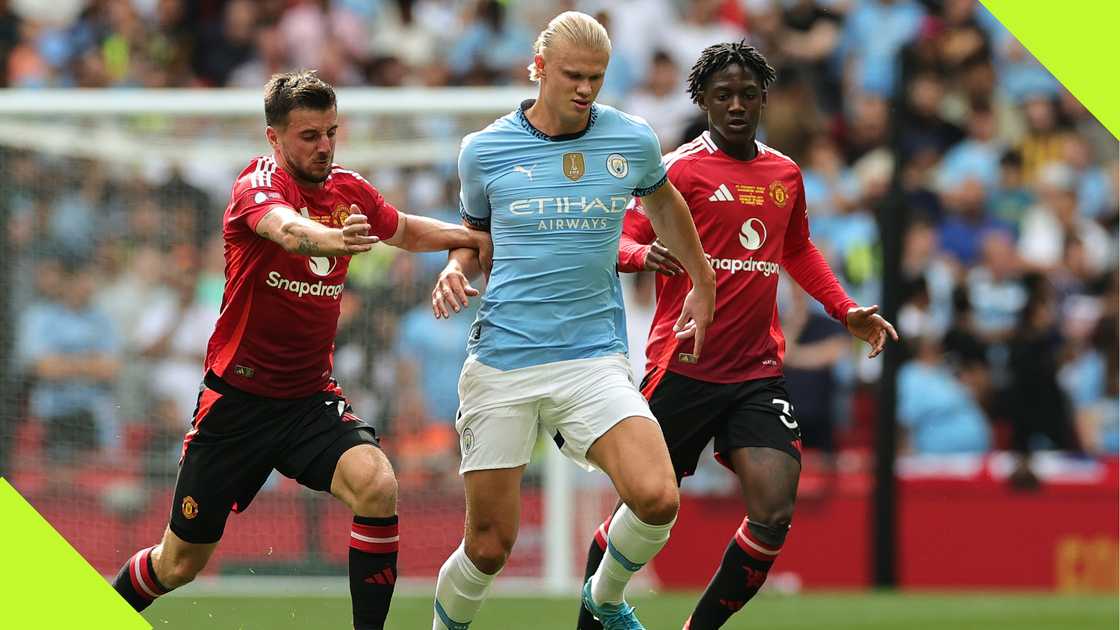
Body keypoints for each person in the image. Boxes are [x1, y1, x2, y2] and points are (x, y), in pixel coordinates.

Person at [110, 71, 487, 630]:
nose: (325, 146)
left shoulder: (349, 190)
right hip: (236, 403)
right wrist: (338, 239)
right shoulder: (254, 186)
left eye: (332, 132)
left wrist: (467, 237)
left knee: (378, 485)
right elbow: (287, 230)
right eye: (309, 135)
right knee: (179, 564)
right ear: (274, 138)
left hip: (308, 400)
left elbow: (403, 229)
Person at [584, 42, 898, 629]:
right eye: (723, 95)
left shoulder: (784, 173)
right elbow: (618, 237)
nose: (736, 105)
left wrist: (844, 309)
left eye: (748, 95)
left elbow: (797, 249)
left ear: (763, 101)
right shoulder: (676, 169)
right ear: (702, 99)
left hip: (756, 372)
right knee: (645, 511)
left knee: (774, 512)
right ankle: (595, 613)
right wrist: (638, 255)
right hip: (682, 365)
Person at [428, 12, 715, 630]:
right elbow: (474, 238)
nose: (585, 89)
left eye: (596, 77)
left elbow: (666, 204)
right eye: (572, 76)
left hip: (593, 358)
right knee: (488, 547)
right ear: (539, 69)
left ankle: (604, 597)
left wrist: (702, 278)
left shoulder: (631, 139)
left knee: (658, 496)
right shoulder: (483, 151)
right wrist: (455, 269)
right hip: (504, 359)